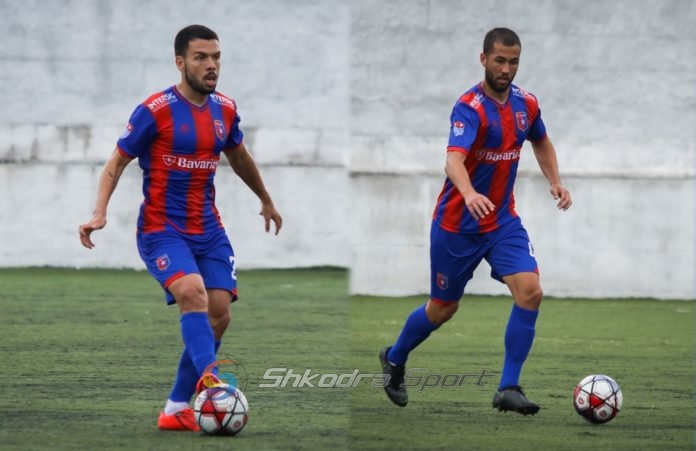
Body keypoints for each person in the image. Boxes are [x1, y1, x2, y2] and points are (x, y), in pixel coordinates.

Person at [78, 24, 282, 431]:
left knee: (219, 314)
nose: (211, 65)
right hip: (161, 229)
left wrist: (266, 198)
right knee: (192, 293)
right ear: (180, 62)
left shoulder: (225, 109)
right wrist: (99, 212)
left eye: (216, 57)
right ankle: (211, 379)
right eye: (201, 57)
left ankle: (174, 408)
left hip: (208, 229)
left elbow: (239, 156)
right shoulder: (155, 110)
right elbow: (116, 163)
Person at [379, 27, 571, 415]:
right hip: (457, 226)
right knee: (442, 309)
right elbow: (453, 160)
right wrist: (468, 193)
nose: (506, 69)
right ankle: (395, 358)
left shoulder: (527, 104)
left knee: (531, 291)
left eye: (513, 62)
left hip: (501, 222)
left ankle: (508, 387)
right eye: (499, 60)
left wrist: (555, 180)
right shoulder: (470, 107)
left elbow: (541, 140)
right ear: (483, 59)